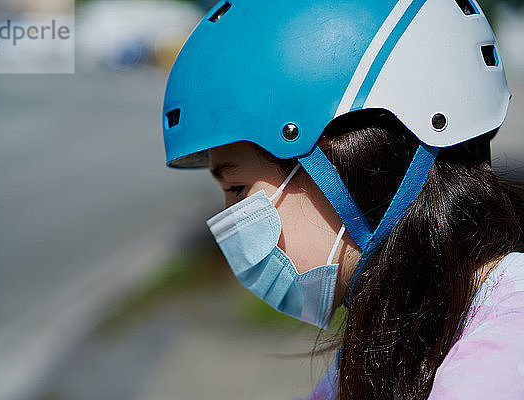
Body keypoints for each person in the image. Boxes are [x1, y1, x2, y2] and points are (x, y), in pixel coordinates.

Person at [160, 0, 524, 398]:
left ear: (349, 157)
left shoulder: (501, 361)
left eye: (237, 190)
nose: (229, 220)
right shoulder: (403, 332)